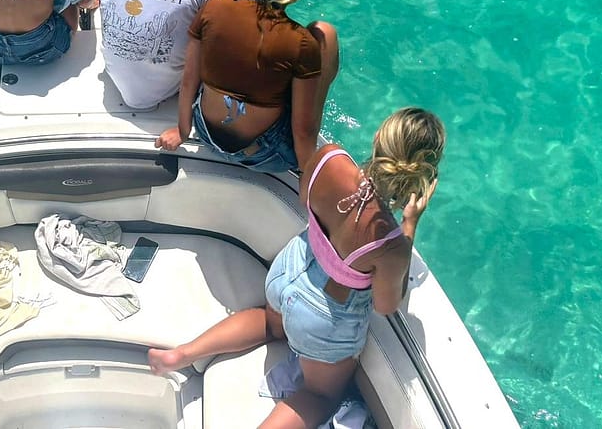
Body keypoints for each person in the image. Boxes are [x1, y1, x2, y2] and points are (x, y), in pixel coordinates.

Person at [148, 108, 446, 428]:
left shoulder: (331, 157)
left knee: (270, 322)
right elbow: (386, 305)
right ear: (422, 176)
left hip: (289, 270)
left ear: (378, 138)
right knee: (319, 395)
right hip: (323, 317)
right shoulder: (390, 242)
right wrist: (409, 226)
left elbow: (306, 198)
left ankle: (180, 355)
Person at [155, 0, 338, 174]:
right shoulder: (301, 43)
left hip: (205, 131)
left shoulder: (215, 7)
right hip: (263, 154)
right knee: (325, 34)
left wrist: (183, 130)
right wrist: (308, 176)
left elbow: (189, 81)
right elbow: (303, 131)